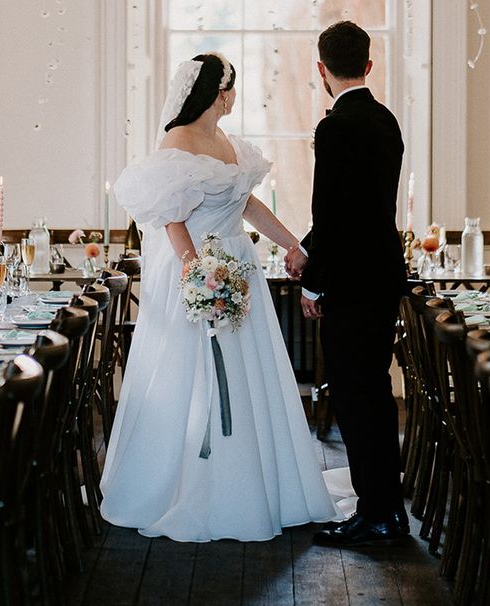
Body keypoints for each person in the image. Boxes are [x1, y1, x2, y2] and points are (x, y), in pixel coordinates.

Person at [100, 53, 342, 543]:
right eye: (231, 89)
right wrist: (196, 270)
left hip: (239, 265)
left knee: (247, 372)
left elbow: (247, 204)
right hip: (200, 266)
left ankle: (258, 484)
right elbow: (171, 216)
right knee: (194, 375)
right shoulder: (178, 140)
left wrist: (294, 244)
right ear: (218, 92)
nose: (234, 97)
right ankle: (193, 485)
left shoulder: (228, 142)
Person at [286, 21, 409, 546]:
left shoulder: (334, 127)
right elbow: (365, 208)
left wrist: (313, 283)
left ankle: (376, 515)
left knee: (357, 401)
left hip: (352, 288)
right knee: (375, 397)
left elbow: (334, 211)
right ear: (368, 64)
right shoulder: (385, 121)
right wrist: (309, 250)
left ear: (321, 70)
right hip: (382, 278)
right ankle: (387, 509)